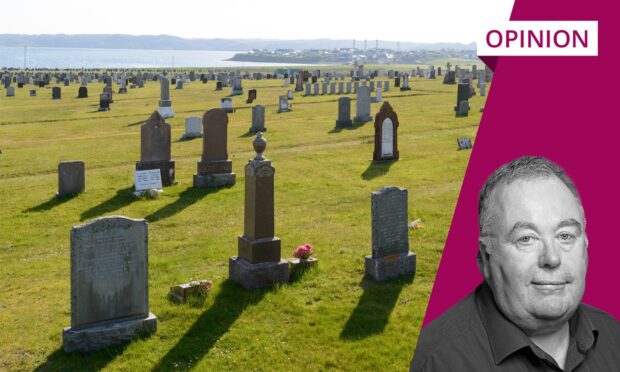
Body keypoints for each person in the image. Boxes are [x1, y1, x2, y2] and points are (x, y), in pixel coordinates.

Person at [411, 156, 620, 371]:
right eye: (526, 239)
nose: (552, 258)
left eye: (565, 236)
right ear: (485, 257)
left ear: (585, 245)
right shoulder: (435, 362)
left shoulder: (614, 335)